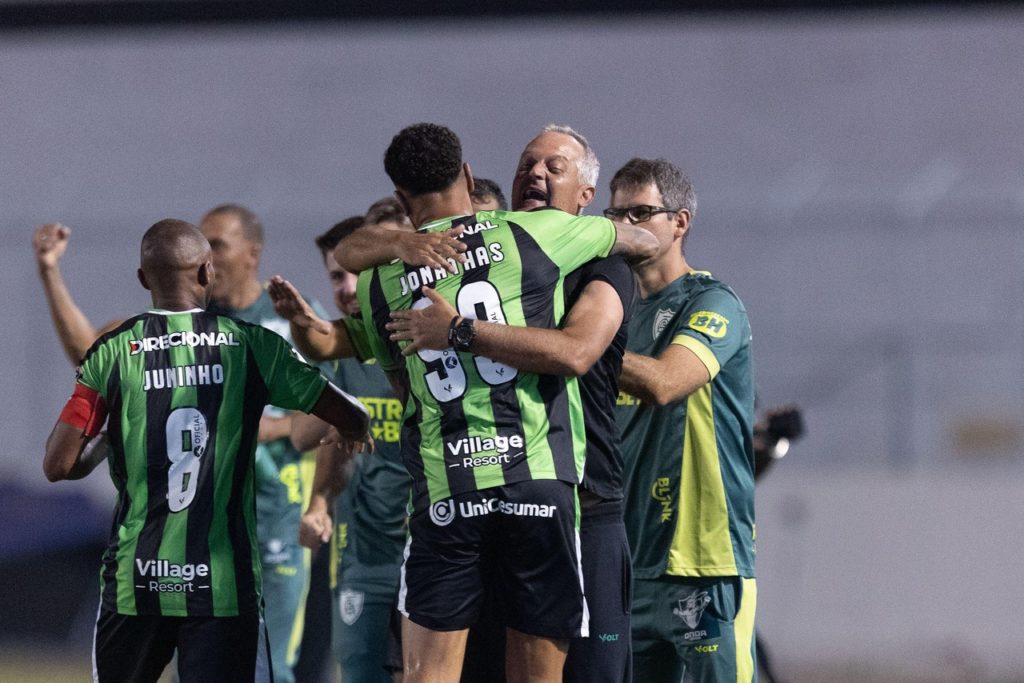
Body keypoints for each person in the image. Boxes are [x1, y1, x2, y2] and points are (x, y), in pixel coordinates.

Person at [332, 122, 657, 683]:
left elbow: (401, 381)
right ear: (466, 174)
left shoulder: (379, 281)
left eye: (553, 167)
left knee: (426, 675)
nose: (537, 174)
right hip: (540, 480)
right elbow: (644, 244)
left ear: (403, 201)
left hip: (448, 488)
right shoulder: (536, 234)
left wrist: (396, 247)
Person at [43, 219, 371, 683]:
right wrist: (351, 426)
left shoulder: (113, 352)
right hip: (222, 583)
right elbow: (349, 413)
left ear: (143, 279)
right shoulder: (252, 345)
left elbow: (58, 465)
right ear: (207, 274)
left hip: (136, 580)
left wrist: (107, 439)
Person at [609, 158, 757, 683]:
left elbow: (665, 383)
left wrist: (577, 350)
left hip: (703, 560)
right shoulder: (613, 313)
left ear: (681, 221)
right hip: (628, 563)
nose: (626, 226)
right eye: (617, 214)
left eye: (642, 212)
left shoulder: (713, 302)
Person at [279, 209, 412, 683]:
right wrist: (318, 500)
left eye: (357, 273)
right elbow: (304, 433)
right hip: (365, 555)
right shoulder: (347, 346)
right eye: (336, 276)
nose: (347, 287)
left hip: (437, 551)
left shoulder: (430, 335)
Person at [199, 203, 329, 683]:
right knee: (200, 661)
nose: (205, 256)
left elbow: (332, 410)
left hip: (278, 510)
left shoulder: (287, 321)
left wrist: (269, 426)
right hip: (203, 519)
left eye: (217, 244)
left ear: (252, 253)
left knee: (271, 662)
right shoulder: (189, 325)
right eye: (200, 244)